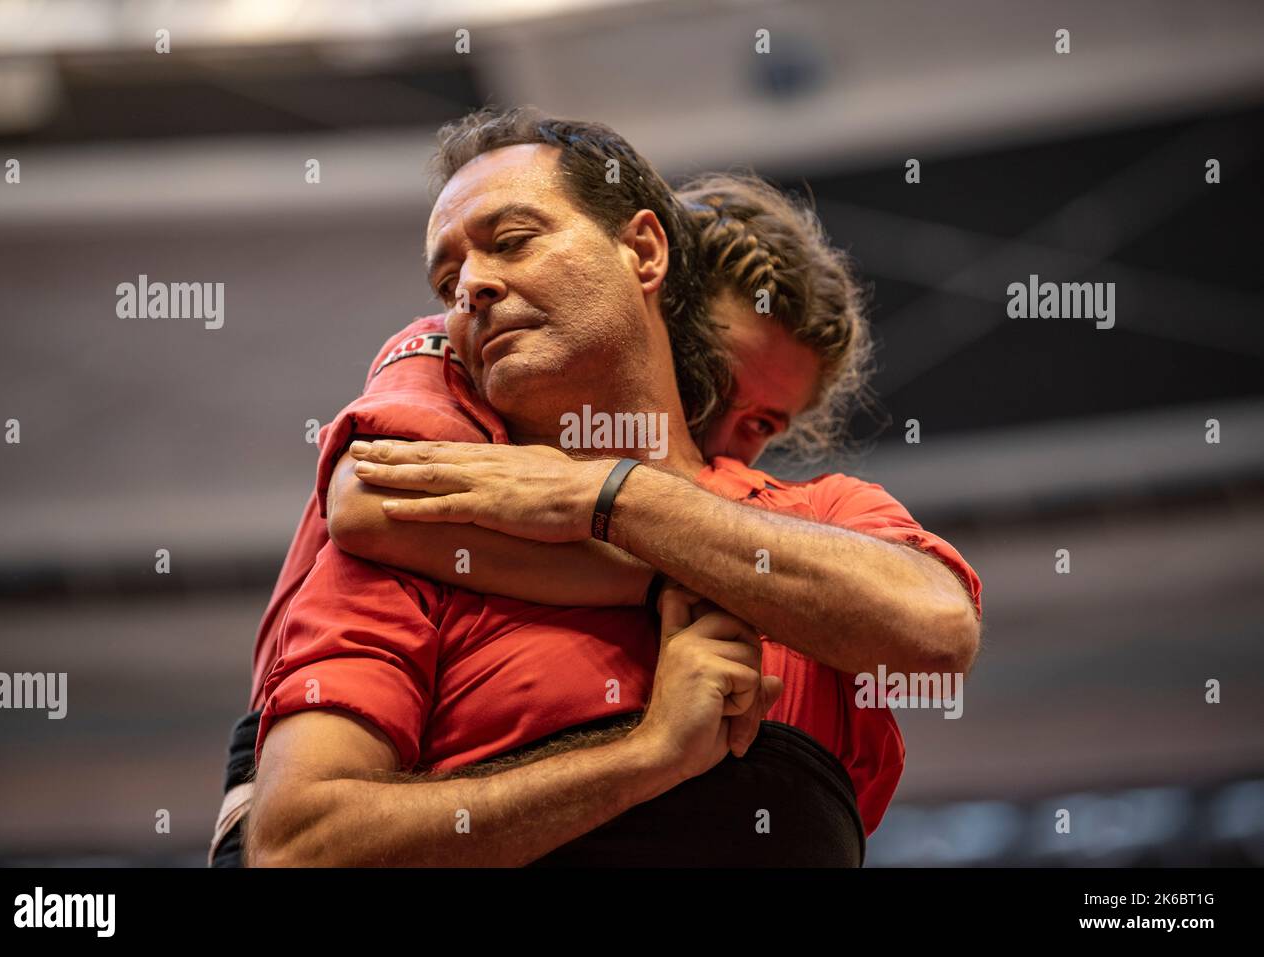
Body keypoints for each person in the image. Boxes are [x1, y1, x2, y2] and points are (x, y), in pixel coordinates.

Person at [242, 108, 982, 867]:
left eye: (513, 239)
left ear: (643, 252)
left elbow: (936, 636)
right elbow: (295, 850)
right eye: (445, 277)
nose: (471, 286)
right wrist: (647, 757)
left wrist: (606, 496)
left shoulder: (824, 513)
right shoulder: (436, 486)